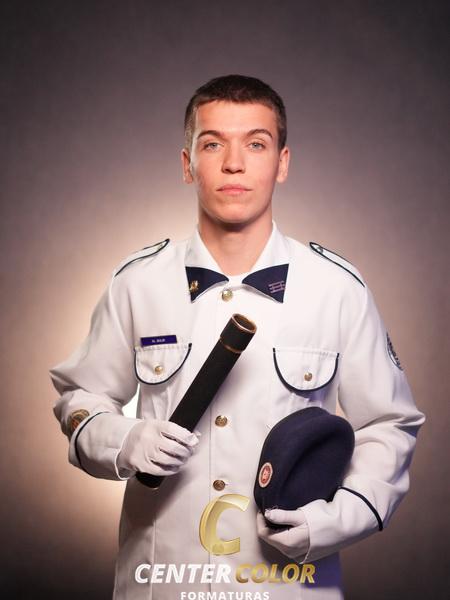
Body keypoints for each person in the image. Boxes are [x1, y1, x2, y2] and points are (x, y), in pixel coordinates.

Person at [50, 75, 425, 600]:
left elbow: (390, 423)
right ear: (188, 165)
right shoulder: (136, 282)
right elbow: (79, 399)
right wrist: (125, 439)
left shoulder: (337, 288)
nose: (234, 164)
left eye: (256, 144)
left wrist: (332, 521)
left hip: (289, 585)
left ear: (282, 163)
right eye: (212, 144)